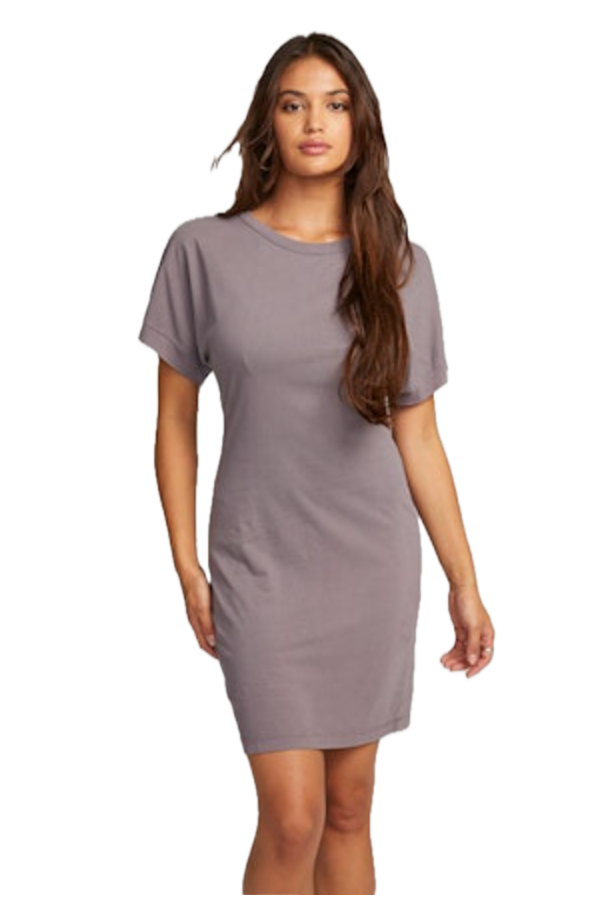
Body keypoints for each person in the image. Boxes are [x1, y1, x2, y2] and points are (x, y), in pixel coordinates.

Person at [136, 29, 496, 897]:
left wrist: (465, 581)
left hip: (370, 565)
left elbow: (421, 438)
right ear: (266, 122)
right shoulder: (201, 249)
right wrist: (185, 563)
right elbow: (174, 423)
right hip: (258, 562)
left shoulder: (404, 266)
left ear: (362, 124)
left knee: (348, 808)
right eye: (293, 104)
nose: (314, 123)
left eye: (335, 105)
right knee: (291, 814)